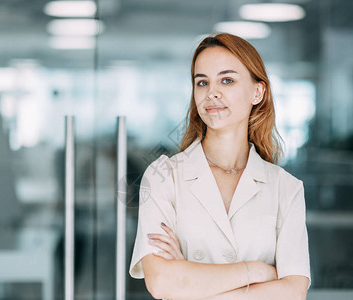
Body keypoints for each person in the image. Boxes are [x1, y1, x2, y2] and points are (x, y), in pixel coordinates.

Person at [129, 33, 311, 300]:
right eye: (202, 82)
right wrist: (256, 271)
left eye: (227, 80)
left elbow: (294, 291)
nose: (211, 92)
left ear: (257, 92)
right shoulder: (164, 177)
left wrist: (190, 283)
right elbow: (163, 283)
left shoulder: (286, 188)